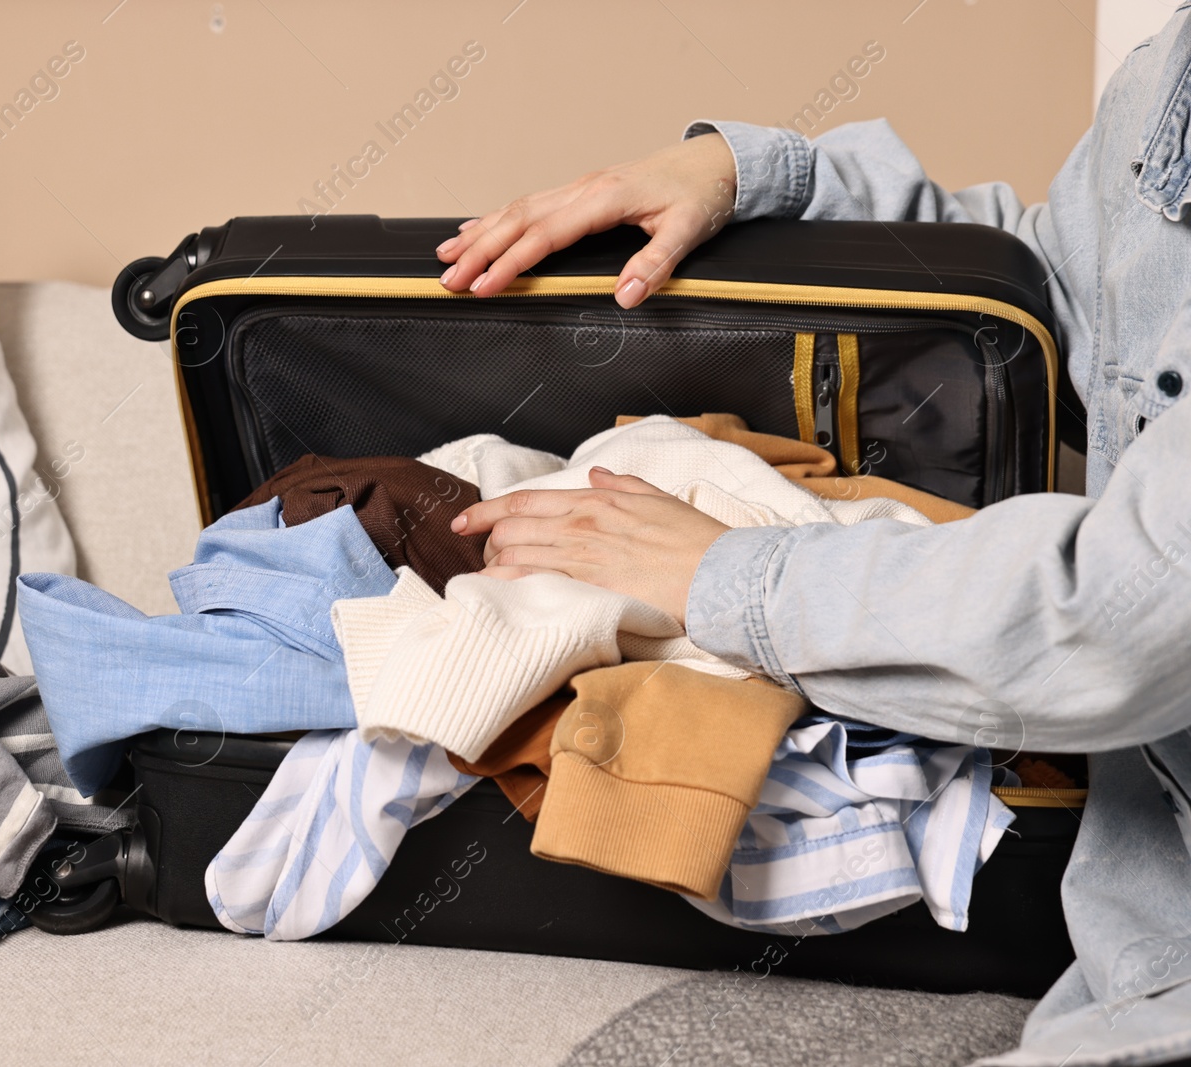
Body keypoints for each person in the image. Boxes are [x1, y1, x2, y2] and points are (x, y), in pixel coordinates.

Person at [435, 12, 1191, 1067]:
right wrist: (753, 179)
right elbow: (1060, 301)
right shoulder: (1173, 70)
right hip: (1131, 963)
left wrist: (719, 574)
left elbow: (1126, 621)